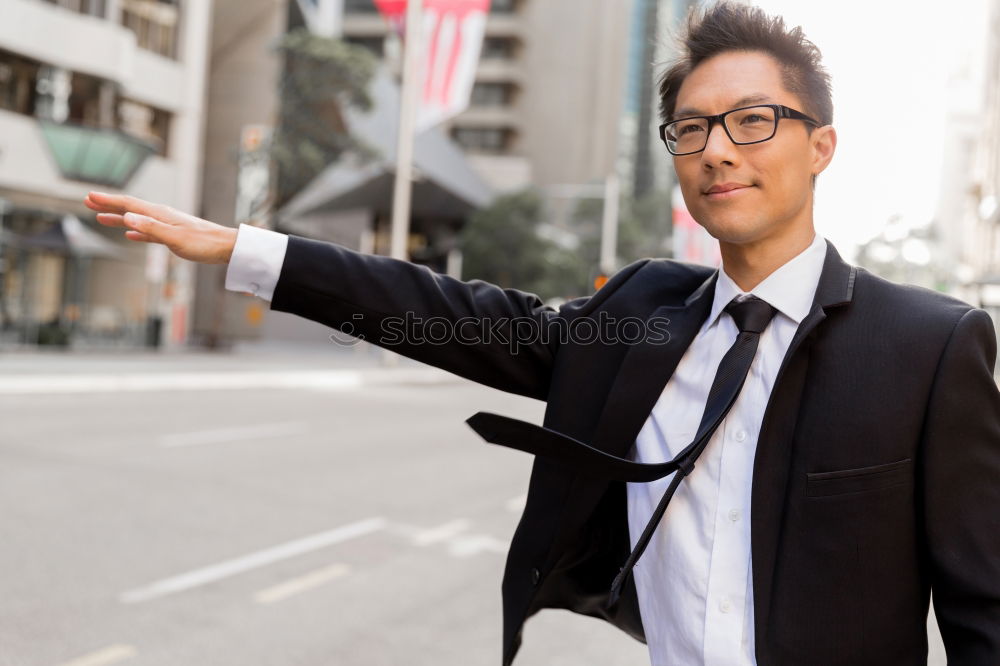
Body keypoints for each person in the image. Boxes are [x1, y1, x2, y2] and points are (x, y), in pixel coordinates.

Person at [84, 2, 1000, 664]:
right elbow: (449, 316)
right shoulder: (646, 314)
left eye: (754, 121)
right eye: (690, 129)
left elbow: (982, 608)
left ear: (821, 146)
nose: (718, 148)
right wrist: (250, 250)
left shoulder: (930, 345)